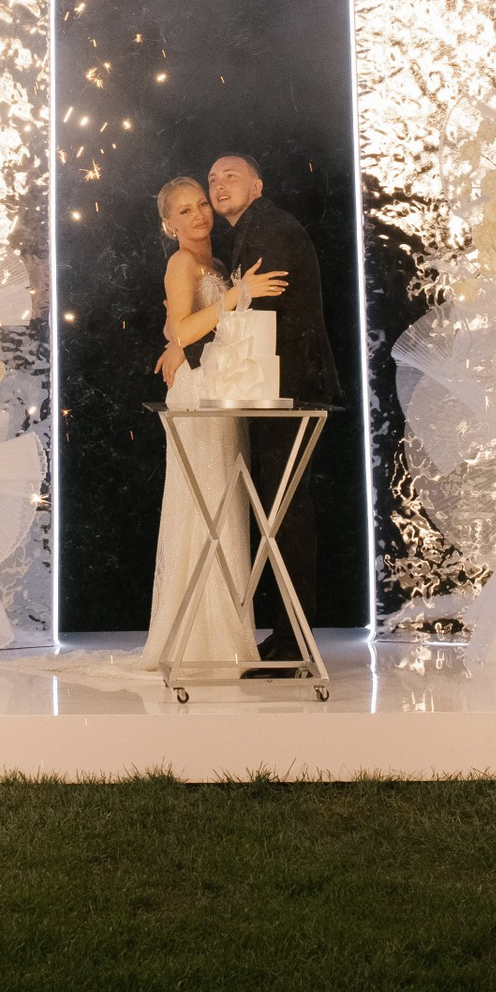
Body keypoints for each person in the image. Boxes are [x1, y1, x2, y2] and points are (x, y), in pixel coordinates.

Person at [191, 152, 340, 668]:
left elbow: (262, 313)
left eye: (230, 175)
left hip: (288, 388)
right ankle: (286, 636)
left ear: (258, 184)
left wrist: (198, 348)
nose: (218, 184)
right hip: (273, 387)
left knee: (286, 514)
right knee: (279, 512)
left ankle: (295, 642)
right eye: (212, 179)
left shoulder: (270, 227)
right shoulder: (253, 229)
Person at [145, 177, 284, 676]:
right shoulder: (181, 262)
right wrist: (237, 296)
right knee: (200, 503)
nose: (200, 214)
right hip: (196, 392)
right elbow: (184, 328)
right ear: (169, 225)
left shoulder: (217, 266)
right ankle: (194, 635)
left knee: (223, 504)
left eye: (201, 203)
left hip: (219, 385)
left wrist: (177, 337)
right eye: (184, 211)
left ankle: (223, 629)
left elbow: (179, 327)